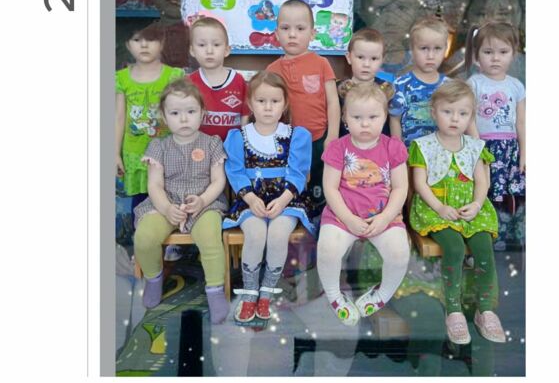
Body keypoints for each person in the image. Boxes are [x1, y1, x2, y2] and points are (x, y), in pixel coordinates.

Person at [408, 79, 505, 345]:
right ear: (434, 112)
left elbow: (482, 182)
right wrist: (439, 207)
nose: (455, 119)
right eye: (447, 111)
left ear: (471, 117)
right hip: (436, 209)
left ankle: (485, 309)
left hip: (469, 208)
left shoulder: (475, 147)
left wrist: (476, 204)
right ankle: (453, 309)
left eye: (462, 113)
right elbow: (420, 183)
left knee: (483, 247)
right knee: (454, 248)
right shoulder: (423, 146)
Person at [133, 79, 229, 323]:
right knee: (144, 237)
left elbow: (219, 180)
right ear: (164, 117)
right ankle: (154, 278)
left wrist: (203, 200)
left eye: (191, 112)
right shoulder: (159, 146)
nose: (184, 119)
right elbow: (154, 185)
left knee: (210, 237)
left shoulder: (212, 143)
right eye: (175, 113)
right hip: (165, 203)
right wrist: (166, 208)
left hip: (204, 202)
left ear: (202, 113)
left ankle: (215, 289)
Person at [223, 72, 315, 324]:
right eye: (261, 101)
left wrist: (283, 200)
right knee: (255, 234)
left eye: (274, 101)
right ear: (250, 104)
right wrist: (251, 199)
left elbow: (298, 172)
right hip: (250, 198)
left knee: (277, 234)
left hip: (287, 199)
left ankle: (266, 293)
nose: (267, 107)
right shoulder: (238, 136)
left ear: (284, 104)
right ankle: (250, 294)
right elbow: (235, 171)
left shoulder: (296, 135)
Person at [317, 83, 410, 325]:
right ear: (345, 119)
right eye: (357, 117)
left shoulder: (393, 147)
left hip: (383, 217)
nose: (365, 124)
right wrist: (348, 219)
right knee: (327, 251)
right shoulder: (338, 148)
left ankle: (381, 295)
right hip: (342, 217)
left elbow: (400, 188)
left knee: (399, 254)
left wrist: (385, 217)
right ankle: (335, 297)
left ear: (385, 117)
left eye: (372, 117)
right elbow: (330, 188)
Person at [267, 0, 340, 207]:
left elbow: (333, 102)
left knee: (319, 188)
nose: (292, 34)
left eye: (300, 28)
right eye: (285, 28)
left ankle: (317, 217)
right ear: (276, 34)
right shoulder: (272, 70)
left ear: (312, 33)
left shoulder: (321, 63)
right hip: (286, 142)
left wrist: (332, 136)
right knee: (292, 186)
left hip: (318, 138)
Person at [465, 20, 526, 247]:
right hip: (485, 147)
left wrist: (524, 152)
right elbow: (469, 117)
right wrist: (477, 147)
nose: (495, 58)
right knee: (487, 190)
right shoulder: (474, 83)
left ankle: (513, 234)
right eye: (488, 52)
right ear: (477, 55)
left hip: (509, 149)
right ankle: (489, 235)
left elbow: (521, 121)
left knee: (511, 192)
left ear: (513, 54)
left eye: (503, 52)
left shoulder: (516, 86)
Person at [115, 23, 184, 206]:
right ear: (128, 44)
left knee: (169, 201)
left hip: (168, 153)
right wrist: (115, 153)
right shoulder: (121, 78)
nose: (144, 45)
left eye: (151, 39)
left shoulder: (174, 76)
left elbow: (181, 115)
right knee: (139, 204)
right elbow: (119, 118)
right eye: (137, 40)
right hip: (134, 154)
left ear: (162, 42)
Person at [389, 16, 450, 146]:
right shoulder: (401, 85)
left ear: (446, 49)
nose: (430, 56)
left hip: (442, 153)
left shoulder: (450, 86)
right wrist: (398, 152)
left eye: (437, 48)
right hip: (410, 153)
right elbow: (395, 120)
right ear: (412, 49)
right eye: (424, 48)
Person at [187, 16, 249, 141]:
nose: (209, 51)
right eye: (202, 45)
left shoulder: (238, 81)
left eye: (216, 44)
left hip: (231, 148)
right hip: (199, 148)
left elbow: (245, 115)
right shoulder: (188, 83)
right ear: (192, 50)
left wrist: (242, 142)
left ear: (226, 50)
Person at [337, 27, 394, 136]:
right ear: (349, 57)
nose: (366, 64)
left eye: (374, 58)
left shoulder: (386, 88)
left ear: (382, 60)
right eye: (360, 57)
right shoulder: (339, 89)